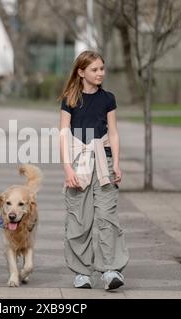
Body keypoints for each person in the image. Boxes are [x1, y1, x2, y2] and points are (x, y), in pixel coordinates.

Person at [58, 50, 129, 291]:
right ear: (81, 72)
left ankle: (110, 270)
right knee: (80, 218)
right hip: (79, 164)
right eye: (94, 69)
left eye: (102, 68)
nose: (100, 73)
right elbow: (63, 134)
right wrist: (67, 168)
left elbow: (114, 132)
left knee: (107, 216)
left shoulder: (108, 98)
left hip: (103, 162)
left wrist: (117, 162)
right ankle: (81, 272)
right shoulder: (69, 99)